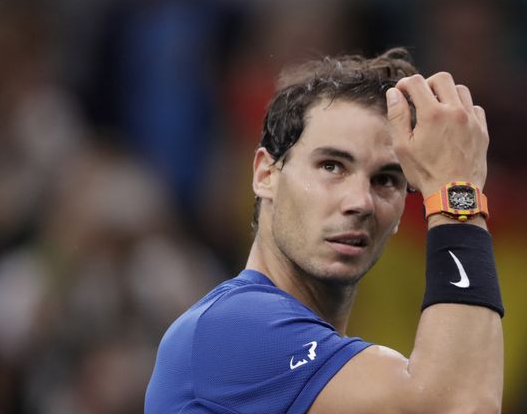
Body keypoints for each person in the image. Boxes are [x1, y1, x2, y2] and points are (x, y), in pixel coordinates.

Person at [145, 48, 504, 413]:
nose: (361, 202)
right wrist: (458, 192)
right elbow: (460, 405)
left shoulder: (335, 373)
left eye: (385, 180)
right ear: (265, 175)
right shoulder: (230, 326)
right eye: (331, 166)